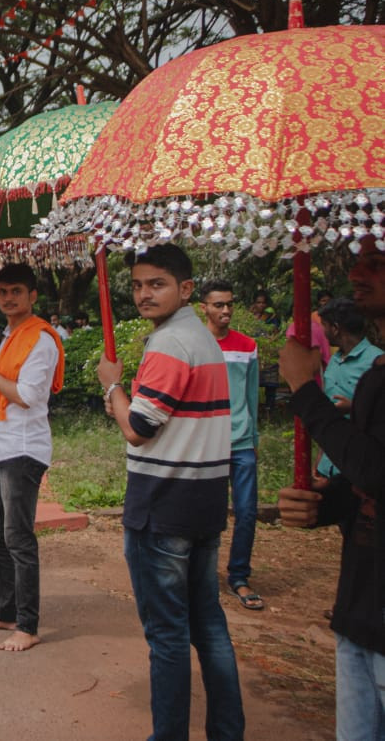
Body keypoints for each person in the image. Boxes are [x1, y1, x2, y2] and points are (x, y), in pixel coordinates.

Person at [98, 243, 244, 741]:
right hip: (203, 501)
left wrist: (111, 387)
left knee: (167, 636)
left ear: (185, 289)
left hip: (163, 504)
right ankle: (227, 730)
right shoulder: (203, 339)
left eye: (156, 284)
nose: (143, 294)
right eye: (137, 285)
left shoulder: (168, 345)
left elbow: (138, 427)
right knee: (209, 627)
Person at [277, 243, 385, 741]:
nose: (358, 273)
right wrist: (328, 502)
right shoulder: (376, 380)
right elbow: (366, 483)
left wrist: (305, 392)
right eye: (359, 259)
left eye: (378, 264)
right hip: (360, 607)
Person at [0, 263, 63, 653]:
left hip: (25, 448)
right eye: (3, 292)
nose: (8, 299)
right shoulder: (9, 337)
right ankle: (6, 611)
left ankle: (28, 624)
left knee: (18, 537)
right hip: (2, 446)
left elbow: (28, 395)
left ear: (33, 295)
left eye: (16, 292)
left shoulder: (41, 339)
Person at [198, 280, 264, 611]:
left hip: (240, 442)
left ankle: (239, 575)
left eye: (230, 304)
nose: (226, 310)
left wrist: (254, 439)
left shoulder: (247, 346)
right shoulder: (194, 345)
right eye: (219, 304)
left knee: (247, 511)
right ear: (204, 308)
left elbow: (252, 395)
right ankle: (202, 576)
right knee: (206, 512)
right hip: (206, 442)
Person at [316, 298, 383, 481]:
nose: (322, 331)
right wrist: (320, 460)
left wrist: (354, 407)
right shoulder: (334, 361)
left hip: (360, 466)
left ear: (336, 328)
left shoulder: (377, 362)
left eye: (324, 325)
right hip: (329, 465)